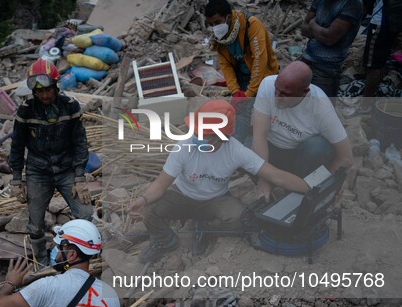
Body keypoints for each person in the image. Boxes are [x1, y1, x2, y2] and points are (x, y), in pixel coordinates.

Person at [129, 100, 310, 263]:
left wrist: (311, 188)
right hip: (182, 195)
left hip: (215, 200)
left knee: (241, 220)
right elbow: (161, 184)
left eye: (205, 135)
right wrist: (143, 200)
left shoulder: (235, 151)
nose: (198, 138)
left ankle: (205, 228)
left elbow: (276, 175)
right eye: (197, 132)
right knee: (148, 210)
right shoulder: (184, 146)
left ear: (223, 137)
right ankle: (164, 240)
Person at [9, 58, 93, 265]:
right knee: (35, 224)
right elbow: (17, 146)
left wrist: (80, 177)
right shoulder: (26, 111)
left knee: (85, 214)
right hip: (39, 172)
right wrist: (16, 180)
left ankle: (80, 255)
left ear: (55, 86)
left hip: (66, 169)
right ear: (33, 92)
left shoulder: (70, 107)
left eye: (48, 89)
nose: (45, 95)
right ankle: (42, 262)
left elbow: (80, 143)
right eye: (39, 91)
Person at [251, 61, 354, 200]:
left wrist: (318, 184)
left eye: (285, 94)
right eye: (277, 89)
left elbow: (346, 158)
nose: (277, 96)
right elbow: (259, 136)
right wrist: (263, 181)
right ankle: (277, 180)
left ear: (304, 93)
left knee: (318, 147)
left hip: (301, 158)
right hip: (271, 152)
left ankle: (299, 190)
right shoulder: (268, 85)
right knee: (239, 146)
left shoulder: (320, 106)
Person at [204, 0, 279, 144]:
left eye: (217, 22)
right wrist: (235, 91)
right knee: (242, 112)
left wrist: (249, 93)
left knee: (266, 112)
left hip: (264, 76)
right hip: (242, 77)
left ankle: (266, 143)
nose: (215, 27)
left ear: (228, 17)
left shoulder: (251, 25)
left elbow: (260, 60)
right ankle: (238, 145)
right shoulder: (220, 38)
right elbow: (226, 65)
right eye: (211, 24)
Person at [300, 0, 364, 97]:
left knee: (322, 108)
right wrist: (322, 32)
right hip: (307, 59)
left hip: (327, 68)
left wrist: (313, 24)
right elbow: (304, 29)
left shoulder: (352, 3)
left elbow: (329, 39)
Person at [359, 0, 401, 113]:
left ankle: (365, 105)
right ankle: (372, 100)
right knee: (380, 62)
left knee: (373, 65)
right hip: (391, 21)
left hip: (381, 21)